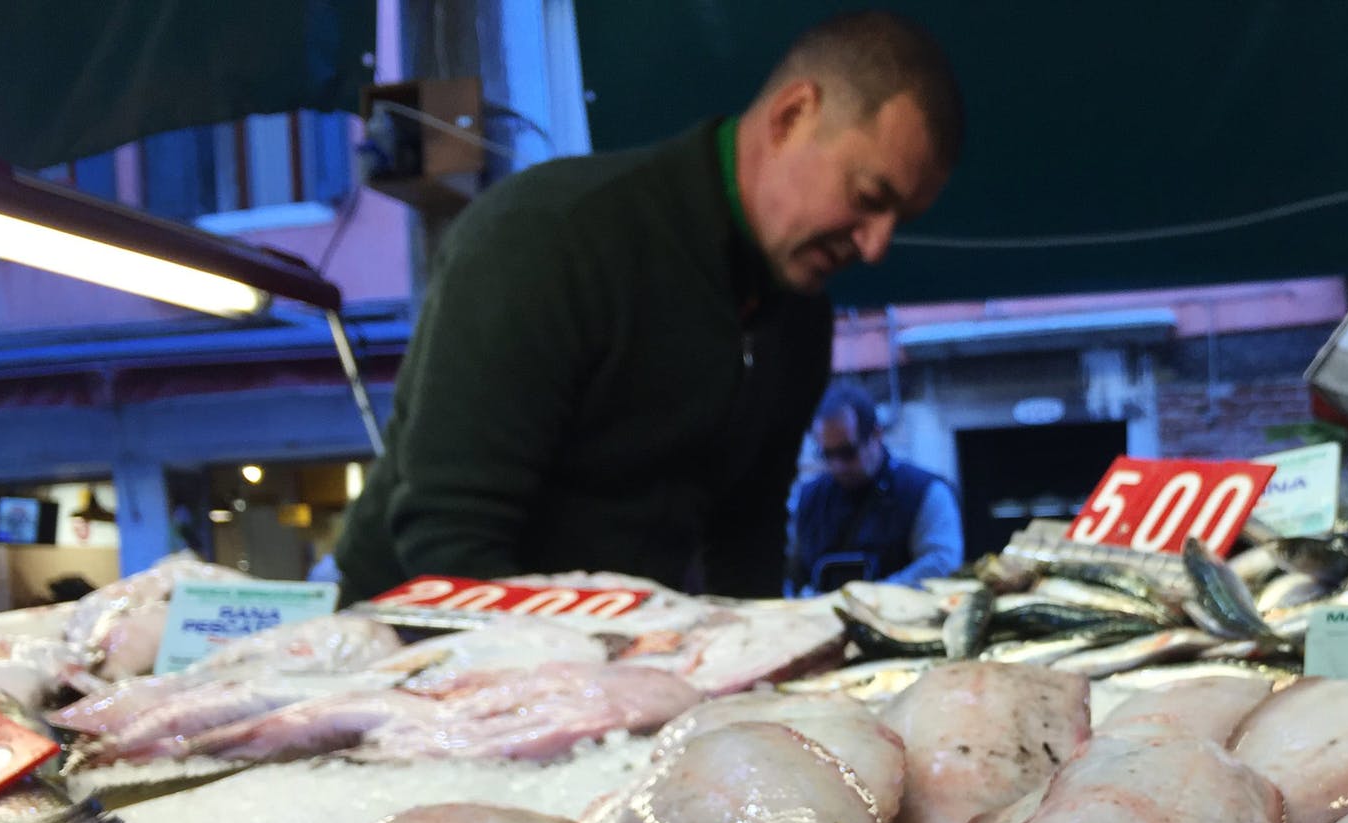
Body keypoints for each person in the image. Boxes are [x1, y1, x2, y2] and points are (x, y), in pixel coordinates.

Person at [332, 12, 962, 605]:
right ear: (792, 115)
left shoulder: (799, 320)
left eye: (897, 221)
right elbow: (449, 537)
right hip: (413, 657)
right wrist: (581, 688)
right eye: (868, 195)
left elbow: (748, 535)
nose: (876, 246)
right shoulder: (551, 237)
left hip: (611, 663)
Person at [788, 384, 962, 592]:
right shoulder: (809, 497)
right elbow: (792, 571)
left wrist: (870, 598)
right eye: (827, 454)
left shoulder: (926, 492)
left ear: (876, 435)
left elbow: (942, 564)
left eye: (848, 452)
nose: (838, 466)